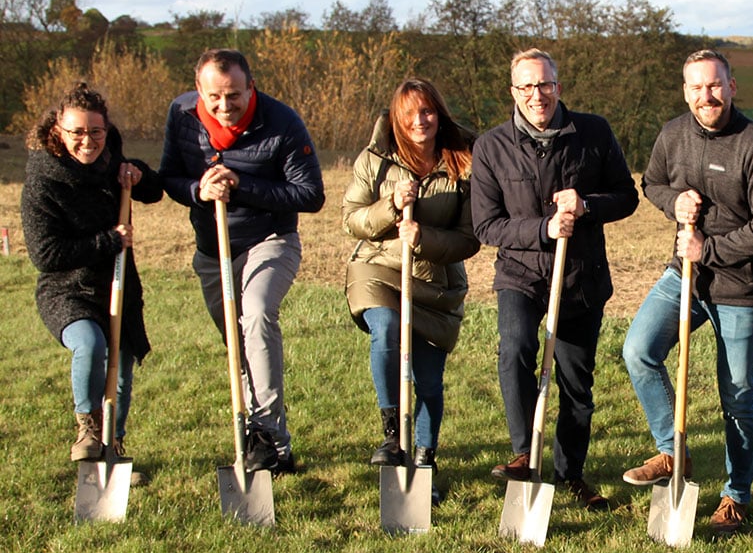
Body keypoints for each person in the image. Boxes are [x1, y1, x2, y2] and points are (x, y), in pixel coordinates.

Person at [621, 49, 753, 536]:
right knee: (638, 350)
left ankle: (735, 495)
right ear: (685, 92)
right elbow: (650, 182)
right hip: (685, 278)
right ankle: (673, 453)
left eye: (714, 86)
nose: (706, 96)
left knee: (736, 396)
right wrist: (672, 201)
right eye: (696, 88)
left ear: (732, 87)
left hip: (742, 289)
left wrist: (709, 248)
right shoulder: (673, 134)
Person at [472, 48, 638, 511]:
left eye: (544, 85)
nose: (536, 95)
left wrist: (586, 206)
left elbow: (626, 196)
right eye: (526, 87)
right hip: (521, 273)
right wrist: (542, 229)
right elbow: (486, 226)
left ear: (558, 87)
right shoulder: (491, 146)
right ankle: (525, 452)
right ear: (513, 92)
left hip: (580, 278)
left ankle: (571, 473)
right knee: (516, 348)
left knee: (576, 384)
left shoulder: (593, 132)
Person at [159, 49, 325, 475]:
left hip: (270, 240)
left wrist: (242, 185)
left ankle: (271, 440)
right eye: (214, 96)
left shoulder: (281, 121)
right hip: (213, 250)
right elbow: (169, 178)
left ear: (250, 86)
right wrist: (199, 189)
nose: (224, 105)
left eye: (233, 95)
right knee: (237, 345)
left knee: (256, 317)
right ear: (198, 90)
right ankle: (255, 430)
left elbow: (310, 194)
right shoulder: (181, 115)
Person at [343, 78, 480, 504]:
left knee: (429, 382)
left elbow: (470, 238)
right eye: (409, 115)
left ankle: (425, 460)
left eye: (426, 112)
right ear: (396, 120)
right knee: (384, 328)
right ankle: (391, 436)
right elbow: (351, 219)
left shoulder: (466, 160)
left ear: (439, 113)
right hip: (380, 268)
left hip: (437, 283)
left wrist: (422, 237)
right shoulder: (376, 160)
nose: (419, 121)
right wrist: (389, 206)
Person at [21, 82, 162, 480]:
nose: (88, 141)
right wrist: (110, 240)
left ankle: (112, 451)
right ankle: (88, 429)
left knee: (122, 369)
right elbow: (45, 255)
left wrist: (137, 173)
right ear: (58, 131)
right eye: (77, 133)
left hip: (118, 286)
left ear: (106, 130)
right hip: (68, 289)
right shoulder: (43, 182)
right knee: (91, 343)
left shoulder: (111, 160)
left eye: (96, 132)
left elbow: (154, 191)